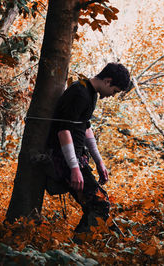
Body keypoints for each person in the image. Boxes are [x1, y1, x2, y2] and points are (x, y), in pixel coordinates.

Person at [47, 62, 131, 236]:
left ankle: (101, 242)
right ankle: (77, 248)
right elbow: (63, 131)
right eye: (115, 91)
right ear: (107, 81)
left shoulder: (91, 94)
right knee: (100, 204)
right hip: (63, 160)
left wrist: (99, 161)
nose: (113, 95)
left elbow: (85, 128)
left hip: (77, 159)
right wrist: (74, 168)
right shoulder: (79, 92)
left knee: (99, 203)